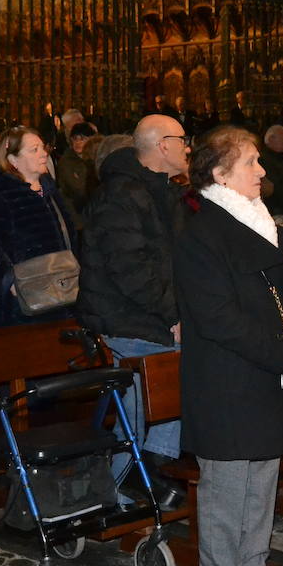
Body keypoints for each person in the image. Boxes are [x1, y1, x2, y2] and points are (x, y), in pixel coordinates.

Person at [175, 126, 283, 566]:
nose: (263, 171)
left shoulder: (256, 224)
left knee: (262, 486)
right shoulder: (203, 234)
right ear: (219, 175)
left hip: (265, 374)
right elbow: (219, 319)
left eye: (261, 161)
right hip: (227, 381)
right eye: (251, 164)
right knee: (226, 492)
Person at [77, 114, 193, 508]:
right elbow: (131, 272)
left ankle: (154, 465)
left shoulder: (163, 190)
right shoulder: (121, 195)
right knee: (165, 370)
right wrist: (174, 317)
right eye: (182, 140)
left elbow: (175, 264)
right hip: (122, 320)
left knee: (194, 361)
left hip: (152, 317)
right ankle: (128, 477)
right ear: (162, 146)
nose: (188, 148)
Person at [0, 127, 76, 328]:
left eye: (42, 148)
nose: (44, 154)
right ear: (13, 160)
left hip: (62, 292)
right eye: (34, 149)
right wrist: (10, 281)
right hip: (21, 302)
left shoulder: (50, 191)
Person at [57, 121, 96, 227]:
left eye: (82, 139)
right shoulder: (67, 161)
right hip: (75, 214)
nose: (78, 142)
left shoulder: (94, 158)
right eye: (75, 139)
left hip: (92, 213)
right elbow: (77, 189)